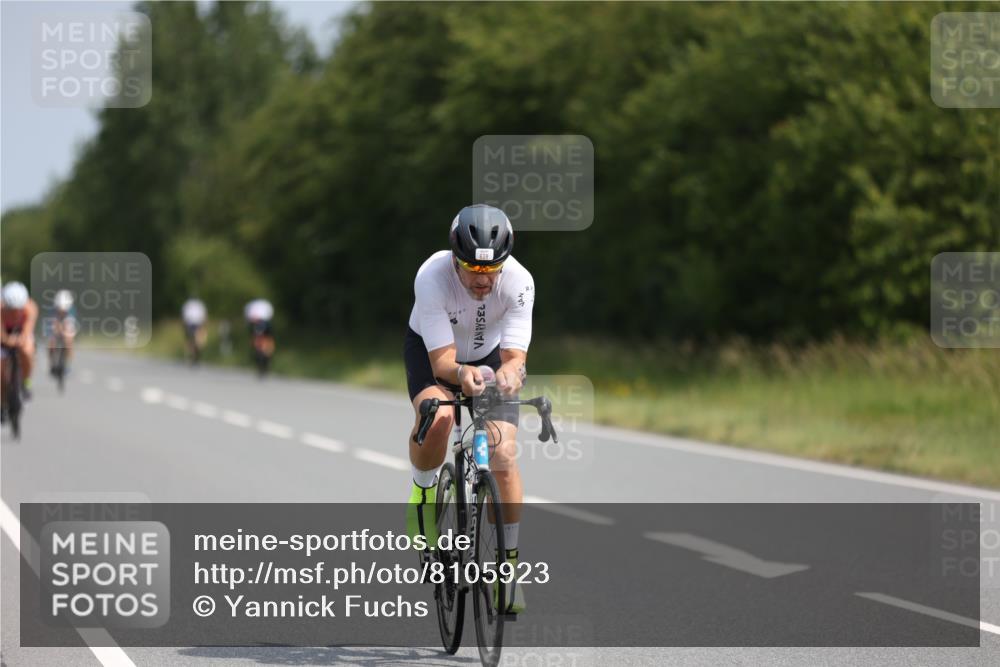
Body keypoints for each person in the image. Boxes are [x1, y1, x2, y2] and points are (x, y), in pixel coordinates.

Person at [404, 204, 534, 613]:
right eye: (472, 270)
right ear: (455, 260)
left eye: (491, 270)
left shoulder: (519, 281)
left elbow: (515, 357)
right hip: (433, 354)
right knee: (440, 417)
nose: (482, 280)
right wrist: (463, 375)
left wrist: (512, 374)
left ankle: (507, 570)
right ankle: (423, 491)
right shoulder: (432, 276)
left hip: (489, 356)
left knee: (503, 454)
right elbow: (443, 363)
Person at [1, 281, 39, 402]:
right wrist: (7, 340)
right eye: (11, 309)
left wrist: (20, 340)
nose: (15, 313)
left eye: (18, 309)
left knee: (27, 352)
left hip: (21, 333)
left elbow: (27, 330)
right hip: (5, 335)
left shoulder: (31, 308)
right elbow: (1, 334)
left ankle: (26, 381)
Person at [47, 289, 77, 376]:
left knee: (69, 342)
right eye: (60, 309)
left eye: (64, 310)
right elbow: (52, 324)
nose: (62, 311)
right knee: (51, 343)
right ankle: (52, 363)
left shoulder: (71, 311)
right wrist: (56, 331)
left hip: (66, 325)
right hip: (55, 324)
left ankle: (68, 364)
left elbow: (70, 325)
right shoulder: (52, 311)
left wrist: (66, 333)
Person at [244, 298, 274, 375]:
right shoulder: (253, 324)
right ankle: (260, 366)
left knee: (266, 352)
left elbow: (269, 335)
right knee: (257, 352)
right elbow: (253, 334)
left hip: (266, 338)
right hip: (259, 339)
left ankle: (266, 365)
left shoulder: (266, 324)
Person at [181, 297, 208, 364]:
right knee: (191, 341)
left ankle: (195, 356)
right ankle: (191, 356)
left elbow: (204, 315)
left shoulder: (197, 304)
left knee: (197, 341)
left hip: (197, 324)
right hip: (190, 324)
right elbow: (185, 315)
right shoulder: (190, 304)